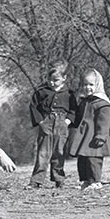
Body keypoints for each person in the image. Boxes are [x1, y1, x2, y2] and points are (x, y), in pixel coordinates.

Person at [28, 60, 77, 188]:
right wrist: (40, 121)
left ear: (64, 78)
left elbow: (74, 109)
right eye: (49, 79)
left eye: (56, 80)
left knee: (59, 152)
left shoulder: (69, 94)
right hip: (46, 122)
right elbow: (33, 107)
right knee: (43, 152)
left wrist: (67, 121)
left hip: (62, 123)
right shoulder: (41, 91)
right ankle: (36, 180)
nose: (52, 82)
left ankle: (59, 179)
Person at [66, 69, 110, 191]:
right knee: (82, 159)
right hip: (84, 136)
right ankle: (86, 180)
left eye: (91, 84)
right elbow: (79, 117)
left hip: (94, 137)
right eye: (85, 84)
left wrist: (101, 136)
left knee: (93, 159)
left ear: (98, 84)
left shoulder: (102, 103)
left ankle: (96, 181)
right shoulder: (84, 101)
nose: (87, 87)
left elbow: (104, 122)